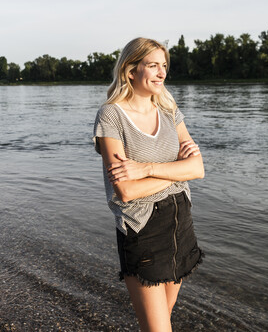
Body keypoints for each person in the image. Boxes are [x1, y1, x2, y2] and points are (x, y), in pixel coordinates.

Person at [93, 37, 204, 332]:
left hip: (180, 222)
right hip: (143, 229)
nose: (161, 72)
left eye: (164, 65)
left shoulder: (169, 111)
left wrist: (146, 169)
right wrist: (175, 173)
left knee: (161, 322)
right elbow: (126, 191)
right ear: (130, 70)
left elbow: (197, 168)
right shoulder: (111, 115)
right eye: (152, 65)